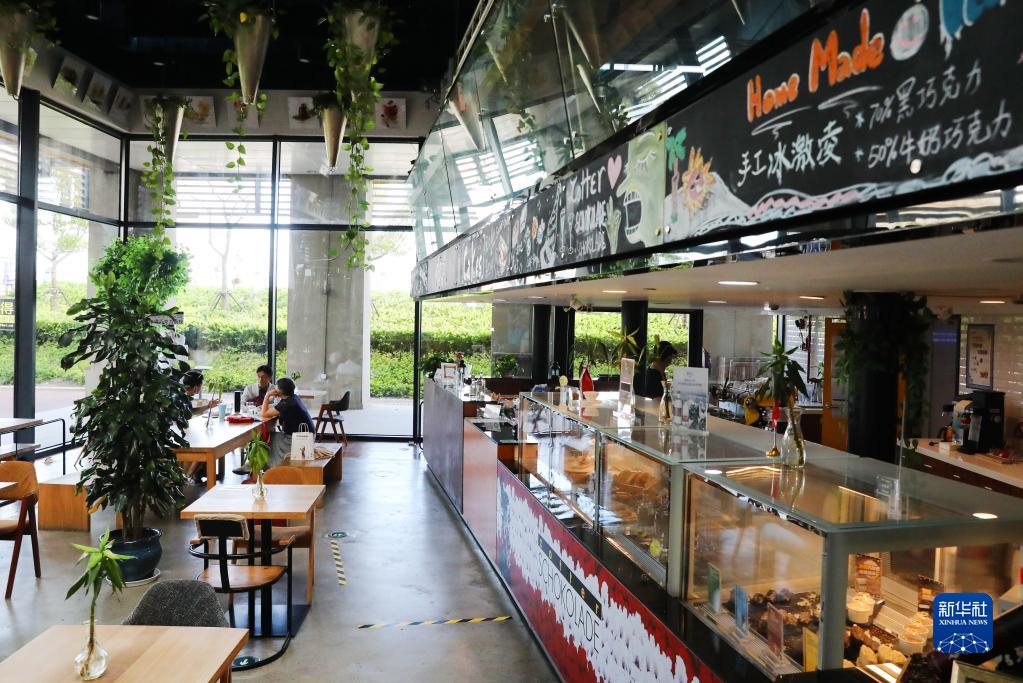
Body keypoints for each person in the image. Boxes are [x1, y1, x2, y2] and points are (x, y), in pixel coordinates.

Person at [260, 377, 315, 468]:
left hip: (299, 439)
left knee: (267, 437)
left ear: (280, 391)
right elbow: (275, 409)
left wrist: (267, 395)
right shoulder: (294, 398)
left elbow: (264, 414)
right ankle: (267, 463)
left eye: (276, 387)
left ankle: (269, 465)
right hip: (308, 435)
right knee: (271, 435)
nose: (274, 389)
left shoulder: (287, 403)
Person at [178, 370, 219, 483]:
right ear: (196, 387)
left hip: (183, 432)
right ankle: (189, 476)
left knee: (205, 440)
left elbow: (191, 412)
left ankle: (194, 475)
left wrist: (208, 406)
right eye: (201, 386)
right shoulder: (181, 398)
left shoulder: (183, 395)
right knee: (207, 444)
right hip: (179, 435)